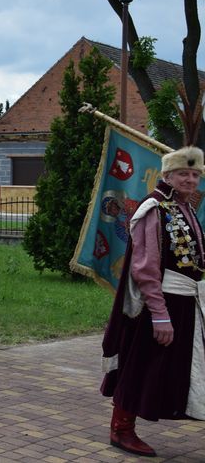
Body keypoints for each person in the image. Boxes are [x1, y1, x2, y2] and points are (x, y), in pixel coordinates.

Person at [100, 146, 205, 457]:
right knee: (141, 365)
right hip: (159, 303)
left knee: (169, 367)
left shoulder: (185, 207)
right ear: (167, 176)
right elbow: (145, 267)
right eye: (183, 173)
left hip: (186, 301)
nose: (189, 179)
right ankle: (121, 430)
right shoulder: (154, 208)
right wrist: (160, 315)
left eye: (195, 174)